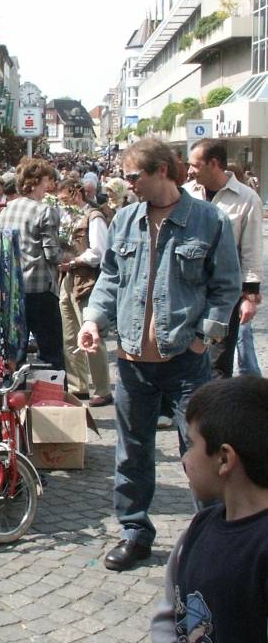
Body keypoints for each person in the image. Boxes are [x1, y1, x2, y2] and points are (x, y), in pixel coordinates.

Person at [78, 138, 240, 572]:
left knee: (200, 452)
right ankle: (134, 533)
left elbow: (225, 287)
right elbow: (110, 278)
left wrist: (202, 339)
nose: (127, 185)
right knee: (132, 452)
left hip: (186, 362)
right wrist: (93, 321)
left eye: (134, 176)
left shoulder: (208, 221)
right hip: (132, 361)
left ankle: (212, 537)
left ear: (162, 171)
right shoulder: (126, 221)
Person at [148, 376, 268, 643]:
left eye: (190, 444)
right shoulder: (198, 531)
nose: (182, 458)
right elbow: (170, 614)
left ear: (224, 460)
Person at [186, 140, 262, 379]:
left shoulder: (247, 198)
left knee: (218, 362)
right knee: (185, 359)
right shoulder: (186, 193)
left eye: (195, 165)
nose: (190, 170)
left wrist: (249, 296)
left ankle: (214, 414)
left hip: (224, 295)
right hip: (187, 290)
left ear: (214, 164)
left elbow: (252, 250)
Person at [1, 157, 65, 370]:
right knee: (51, 352)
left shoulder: (6, 210)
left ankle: (16, 397)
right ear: (36, 181)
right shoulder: (44, 210)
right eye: (47, 179)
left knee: (16, 352)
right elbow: (53, 254)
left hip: (14, 289)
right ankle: (52, 399)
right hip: (40, 289)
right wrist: (70, 255)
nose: (50, 184)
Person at [56, 177, 112, 406]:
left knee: (90, 335)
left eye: (64, 199)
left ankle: (102, 388)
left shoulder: (94, 216)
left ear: (76, 194)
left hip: (86, 279)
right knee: (69, 335)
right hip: (67, 278)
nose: (62, 204)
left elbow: (99, 252)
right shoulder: (68, 217)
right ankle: (77, 386)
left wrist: (74, 260)